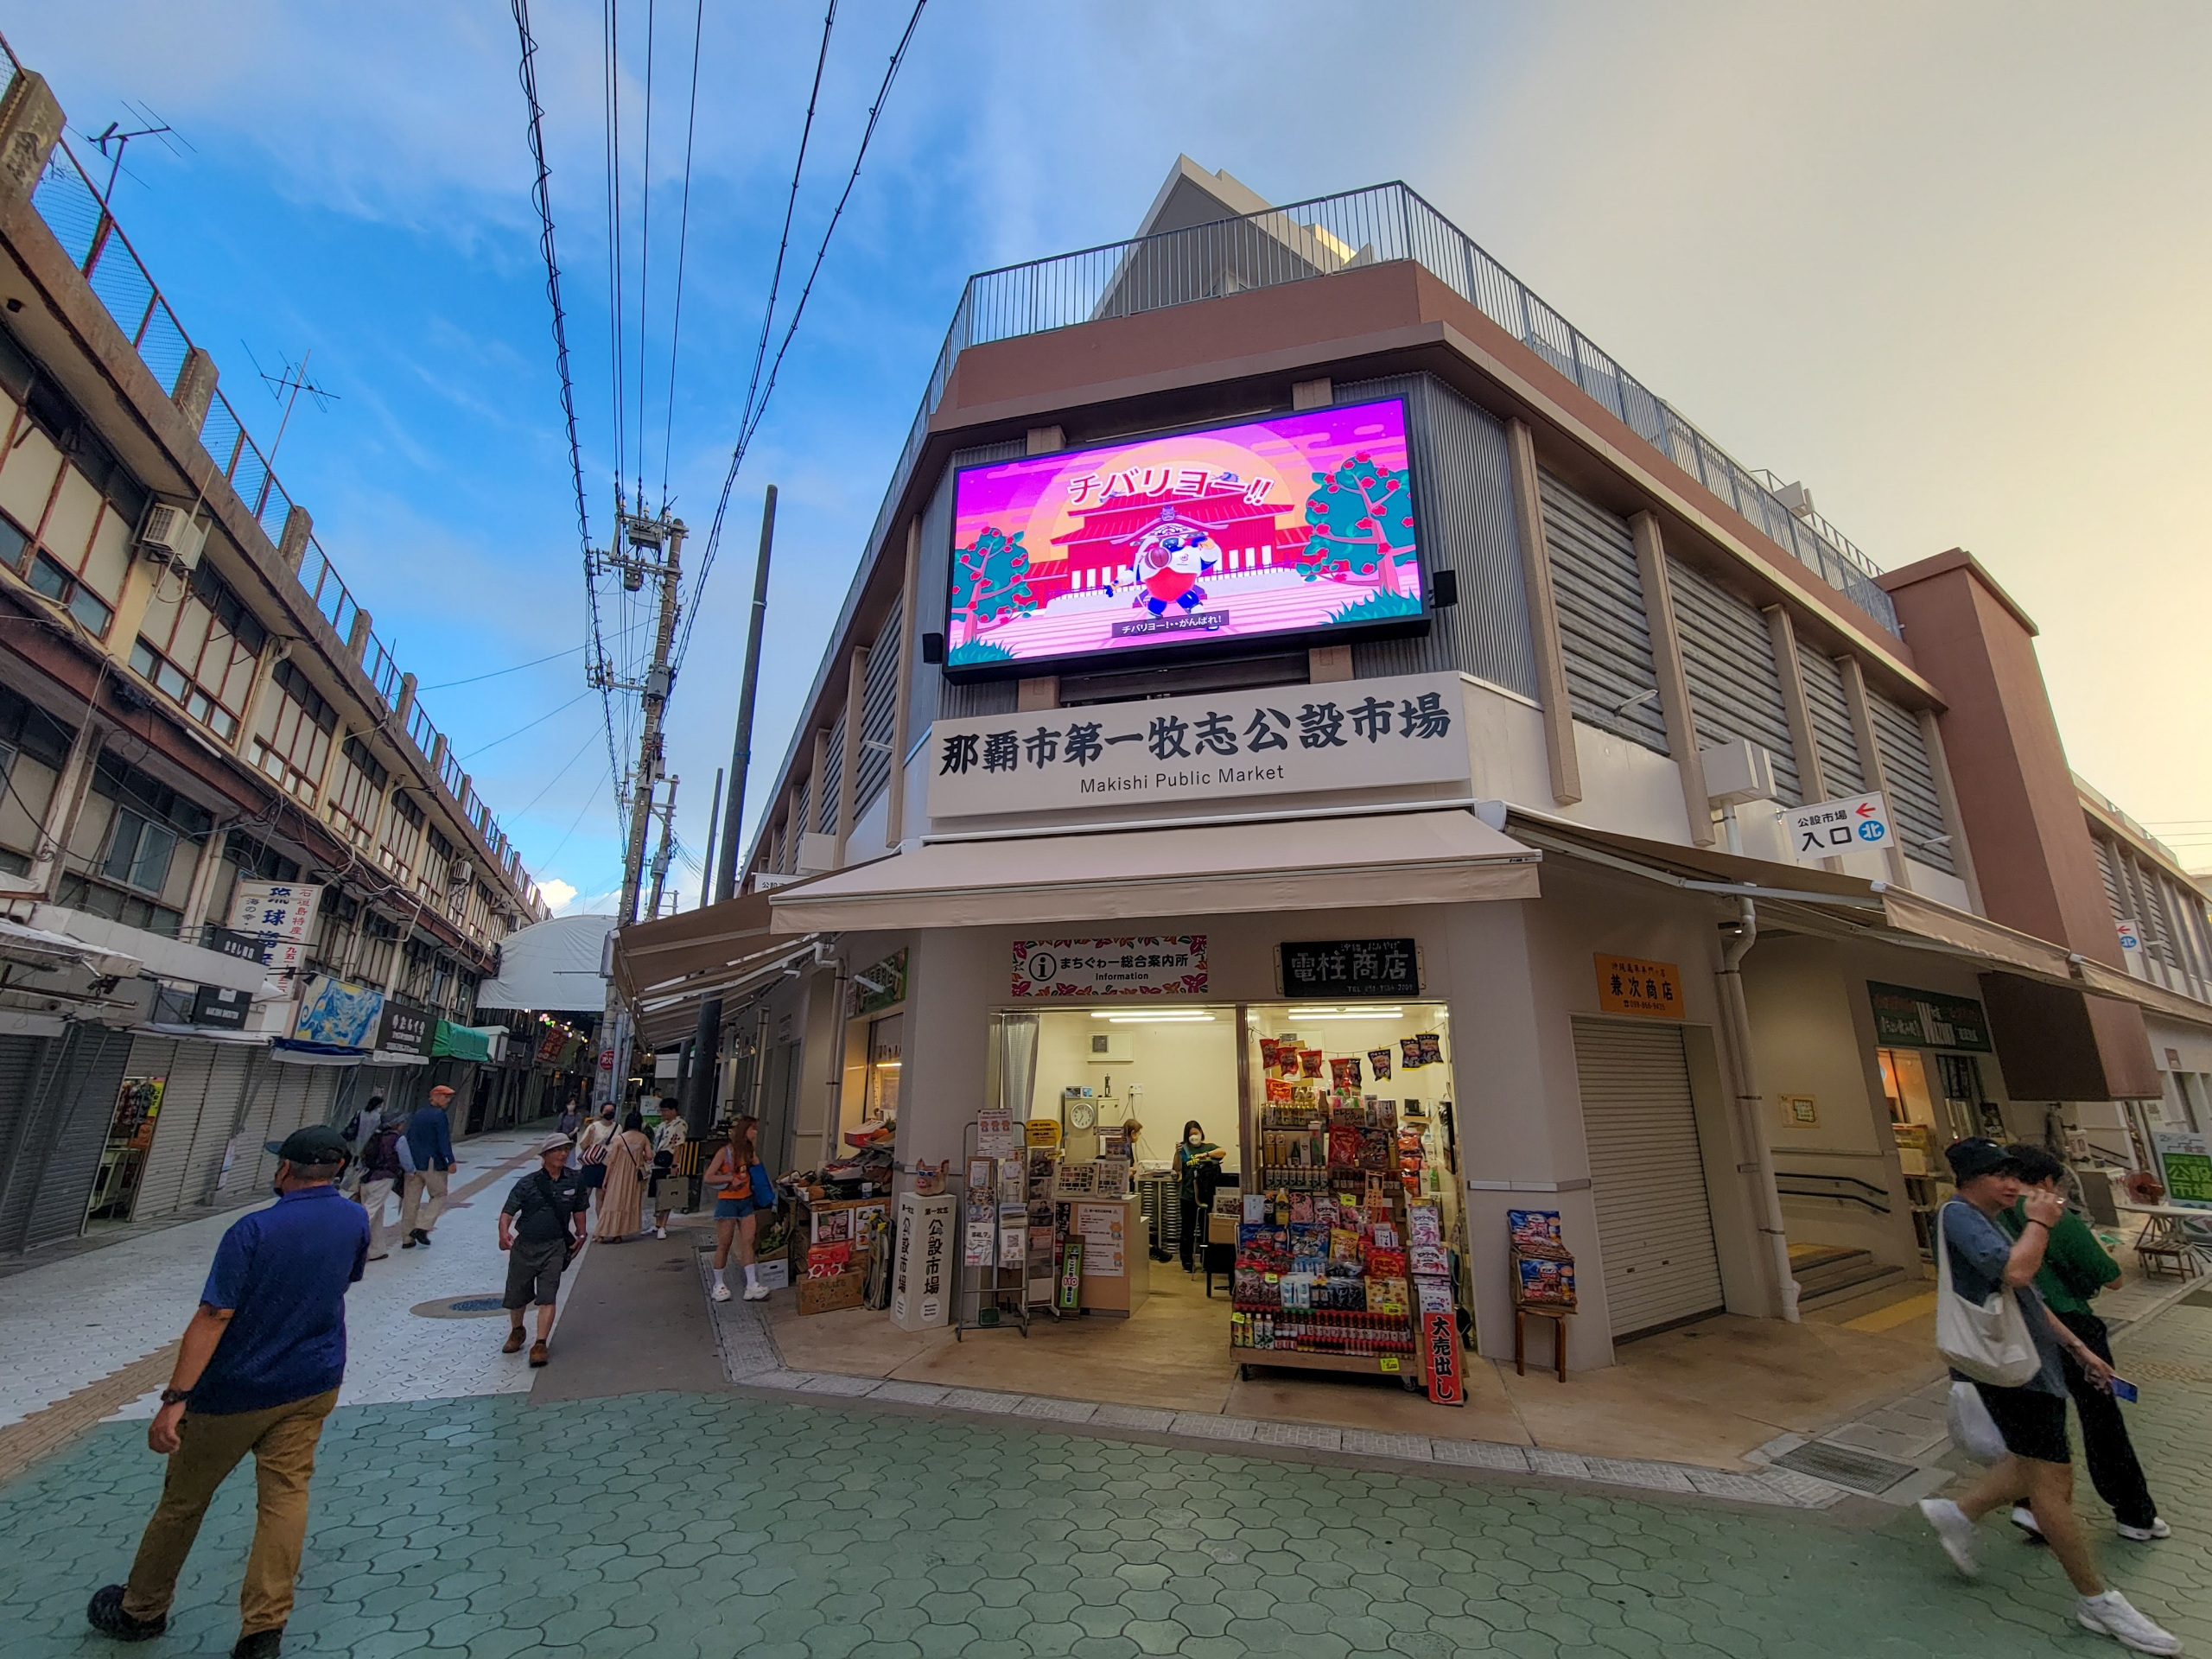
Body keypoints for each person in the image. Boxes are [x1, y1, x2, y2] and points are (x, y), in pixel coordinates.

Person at [86, 1124, 369, 1659]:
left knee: (183, 1501)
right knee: (285, 1498)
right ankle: (263, 1630)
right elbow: (345, 1279)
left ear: (285, 1169)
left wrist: (175, 1399)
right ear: (337, 1170)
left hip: (234, 1390)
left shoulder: (252, 1230)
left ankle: (141, 1608)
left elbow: (214, 1315)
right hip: (312, 1381)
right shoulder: (353, 1217)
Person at [1916, 1139, 2178, 1655]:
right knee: (2052, 1484)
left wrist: (2079, 1348)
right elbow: (2017, 1272)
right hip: (2013, 1373)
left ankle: (1957, 1514)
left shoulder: (1987, 1218)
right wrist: (2039, 1223)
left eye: (2015, 1175)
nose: (2012, 1185)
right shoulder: (1959, 1216)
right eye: (1999, 1176)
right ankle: (2096, 1599)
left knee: (2032, 1466)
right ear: (1970, 1180)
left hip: (2032, 1363)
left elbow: (2027, 1296)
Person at [1999, 1143, 2168, 1544]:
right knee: (2102, 1422)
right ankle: (2134, 1513)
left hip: (2019, 1329)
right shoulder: (2055, 1216)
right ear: (2044, 1181)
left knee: (2040, 1426)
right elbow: (2112, 1276)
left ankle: (2034, 1508)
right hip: (2072, 1325)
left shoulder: (1989, 1215)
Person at [498, 1132, 590, 1366]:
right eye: (557, 1150)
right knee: (517, 1295)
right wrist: (503, 1233)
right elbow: (508, 1211)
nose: (563, 1154)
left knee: (548, 1294)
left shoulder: (574, 1180)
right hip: (525, 1246)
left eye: (566, 1149)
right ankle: (517, 1331)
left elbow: (580, 1208)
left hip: (555, 1246)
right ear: (545, 1155)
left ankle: (540, 1343)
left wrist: (581, 1233)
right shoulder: (527, 1183)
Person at [703, 1116, 772, 1302]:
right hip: (728, 1201)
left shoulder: (749, 1152)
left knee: (748, 1241)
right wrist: (728, 1178)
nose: (755, 1133)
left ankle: (751, 1283)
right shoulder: (725, 1152)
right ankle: (718, 1284)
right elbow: (708, 1177)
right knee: (724, 1243)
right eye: (752, 1129)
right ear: (744, 1131)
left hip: (746, 1200)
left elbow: (758, 1171)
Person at [399, 1085, 459, 1249]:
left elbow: (409, 1137)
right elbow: (443, 1140)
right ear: (435, 1096)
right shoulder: (439, 1116)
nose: (448, 1100)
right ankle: (422, 1227)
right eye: (445, 1097)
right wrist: (450, 1160)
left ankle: (406, 1237)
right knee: (439, 1194)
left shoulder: (418, 1114)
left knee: (411, 1200)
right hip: (432, 1162)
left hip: (414, 1163)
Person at [591, 1108, 652, 1243]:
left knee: (611, 1202)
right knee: (627, 1202)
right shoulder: (643, 1138)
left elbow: (612, 1161)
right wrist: (639, 1156)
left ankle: (601, 1234)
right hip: (634, 1176)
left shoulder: (619, 1138)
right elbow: (649, 1156)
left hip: (618, 1174)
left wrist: (606, 1179)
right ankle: (618, 1234)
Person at [355, 1109, 406, 1261]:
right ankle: (351, 1246)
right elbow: (405, 1160)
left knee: (377, 1213)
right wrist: (411, 1171)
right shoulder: (397, 1139)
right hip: (384, 1178)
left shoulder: (375, 1136)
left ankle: (376, 1250)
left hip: (367, 1178)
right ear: (397, 1124)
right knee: (370, 1212)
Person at [1173, 1120, 1224, 1274]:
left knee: (1206, 1229)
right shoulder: (1184, 1149)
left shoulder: (1208, 1147)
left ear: (1201, 1133)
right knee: (1187, 1230)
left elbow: (1222, 1152)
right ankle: (1187, 1262)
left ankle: (1206, 1261)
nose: (1194, 1136)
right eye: (1191, 1134)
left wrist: (1205, 1155)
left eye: (1196, 1133)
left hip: (1205, 1196)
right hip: (1188, 1195)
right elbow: (1176, 1168)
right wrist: (1177, 1153)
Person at [650, 1096, 690, 1239]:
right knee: (657, 1193)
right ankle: (657, 1223)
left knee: (666, 1194)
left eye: (665, 1110)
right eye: (662, 1111)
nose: (663, 1113)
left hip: (669, 1159)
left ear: (673, 1110)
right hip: (657, 1160)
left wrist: (675, 1164)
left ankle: (663, 1225)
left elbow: (679, 1146)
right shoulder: (662, 1125)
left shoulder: (680, 1124)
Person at [575, 1103, 617, 1218]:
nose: (610, 1113)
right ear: (601, 1112)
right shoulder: (594, 1126)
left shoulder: (618, 1127)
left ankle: (601, 1225)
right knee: (584, 1197)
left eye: (612, 1110)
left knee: (601, 1198)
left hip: (606, 1165)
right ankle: (580, 1223)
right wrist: (591, 1134)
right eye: (607, 1110)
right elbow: (583, 1146)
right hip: (592, 1163)